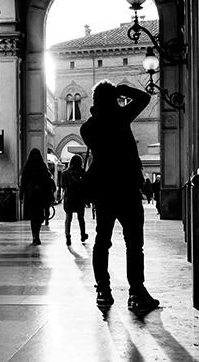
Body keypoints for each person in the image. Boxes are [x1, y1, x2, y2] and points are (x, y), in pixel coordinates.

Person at [80, 80, 159, 310]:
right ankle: (136, 292)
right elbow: (144, 98)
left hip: (104, 190)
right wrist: (123, 90)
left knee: (102, 241)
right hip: (126, 188)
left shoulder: (88, 128)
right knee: (134, 244)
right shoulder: (122, 117)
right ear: (113, 99)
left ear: (94, 101)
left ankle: (103, 290)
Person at [20, 148, 56, 245]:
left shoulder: (27, 166)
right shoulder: (42, 166)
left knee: (33, 217)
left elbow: (23, 181)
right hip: (40, 195)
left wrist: (21, 195)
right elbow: (47, 181)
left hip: (31, 195)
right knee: (39, 216)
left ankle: (34, 236)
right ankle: (37, 235)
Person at [60, 154, 88, 246]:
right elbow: (85, 186)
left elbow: (63, 186)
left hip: (69, 198)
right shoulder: (83, 173)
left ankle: (67, 235)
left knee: (68, 218)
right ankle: (83, 234)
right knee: (81, 218)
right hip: (79, 198)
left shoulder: (65, 173)